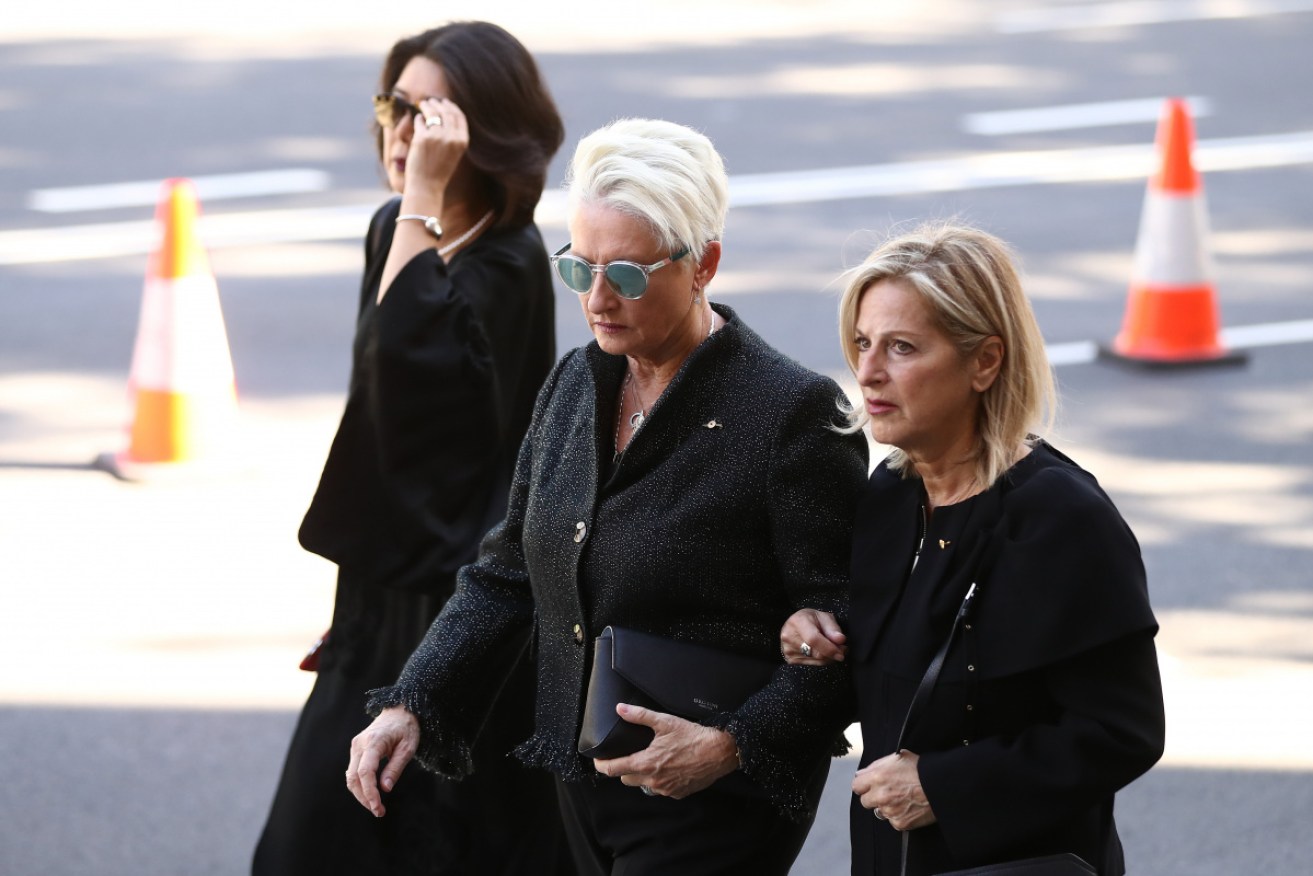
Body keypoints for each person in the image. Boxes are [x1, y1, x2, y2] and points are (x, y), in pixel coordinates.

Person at [344, 117, 869, 875]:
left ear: (703, 264)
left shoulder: (791, 413)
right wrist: (413, 701)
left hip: (716, 799)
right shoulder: (575, 383)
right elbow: (509, 571)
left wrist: (730, 746)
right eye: (577, 269)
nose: (596, 298)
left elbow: (846, 631)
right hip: (583, 776)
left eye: (624, 275)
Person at [253, 22, 568, 876]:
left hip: (456, 591)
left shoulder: (507, 258)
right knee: (316, 830)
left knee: (431, 825)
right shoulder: (397, 225)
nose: (403, 134)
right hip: (381, 577)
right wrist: (416, 203)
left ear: (485, 130)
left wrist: (422, 195)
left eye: (431, 114)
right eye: (394, 106)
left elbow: (406, 361)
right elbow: (382, 399)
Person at [781, 223, 1166, 875]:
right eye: (861, 343)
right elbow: (906, 667)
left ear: (984, 361)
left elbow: (1120, 732)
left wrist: (945, 785)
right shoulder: (889, 495)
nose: (868, 372)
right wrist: (816, 635)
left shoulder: (1060, 519)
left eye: (901, 348)